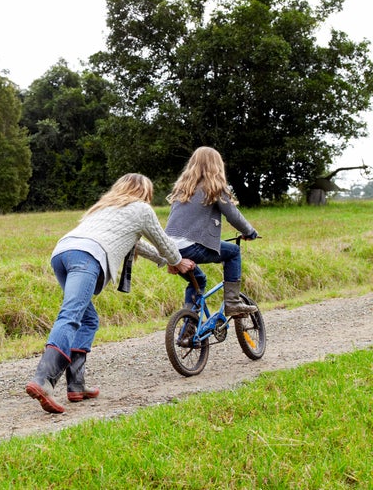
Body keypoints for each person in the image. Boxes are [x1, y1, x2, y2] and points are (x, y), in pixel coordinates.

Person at [25, 173, 195, 414]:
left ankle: (76, 385)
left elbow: (137, 245)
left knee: (88, 318)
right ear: (144, 193)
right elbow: (163, 242)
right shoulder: (141, 210)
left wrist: (163, 261)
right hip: (87, 257)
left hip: (63, 253)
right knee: (71, 315)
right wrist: (178, 262)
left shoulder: (105, 207)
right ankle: (43, 380)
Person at [164, 146, 258, 315]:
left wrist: (170, 257)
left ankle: (189, 326)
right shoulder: (213, 188)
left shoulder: (181, 189)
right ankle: (232, 303)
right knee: (234, 252)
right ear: (216, 166)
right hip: (192, 246)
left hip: (170, 248)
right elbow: (233, 216)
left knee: (198, 281)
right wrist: (249, 232)